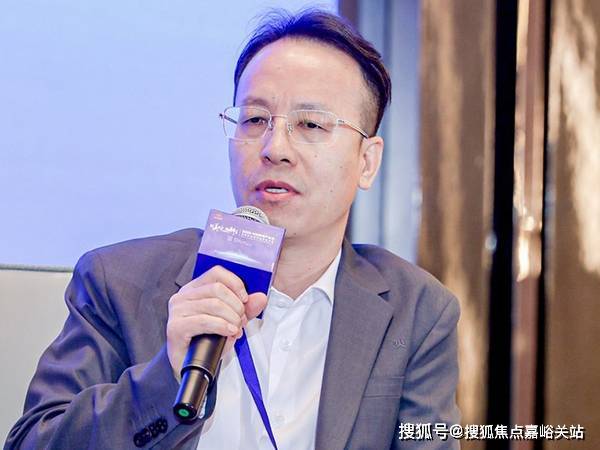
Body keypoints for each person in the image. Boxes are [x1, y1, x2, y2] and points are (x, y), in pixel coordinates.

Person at [5, 8, 460, 450]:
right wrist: (167, 375)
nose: (274, 148)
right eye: (256, 119)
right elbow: (32, 442)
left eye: (310, 124)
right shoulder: (119, 281)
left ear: (367, 161)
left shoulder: (417, 310)